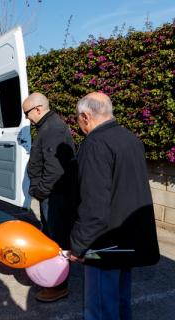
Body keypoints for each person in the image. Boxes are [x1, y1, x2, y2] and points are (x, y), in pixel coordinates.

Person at [69, 92, 160, 320]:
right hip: (127, 238)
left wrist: (79, 245)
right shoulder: (130, 138)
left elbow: (94, 204)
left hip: (103, 244)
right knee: (120, 301)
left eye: (78, 119)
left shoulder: (95, 143)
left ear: (86, 116)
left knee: (100, 307)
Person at [22, 92, 76, 302]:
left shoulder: (52, 128)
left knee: (56, 242)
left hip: (55, 197)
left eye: (27, 113)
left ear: (38, 109)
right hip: (53, 196)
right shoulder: (47, 126)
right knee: (53, 238)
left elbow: (54, 170)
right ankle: (54, 281)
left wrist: (41, 191)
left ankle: (58, 286)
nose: (27, 118)